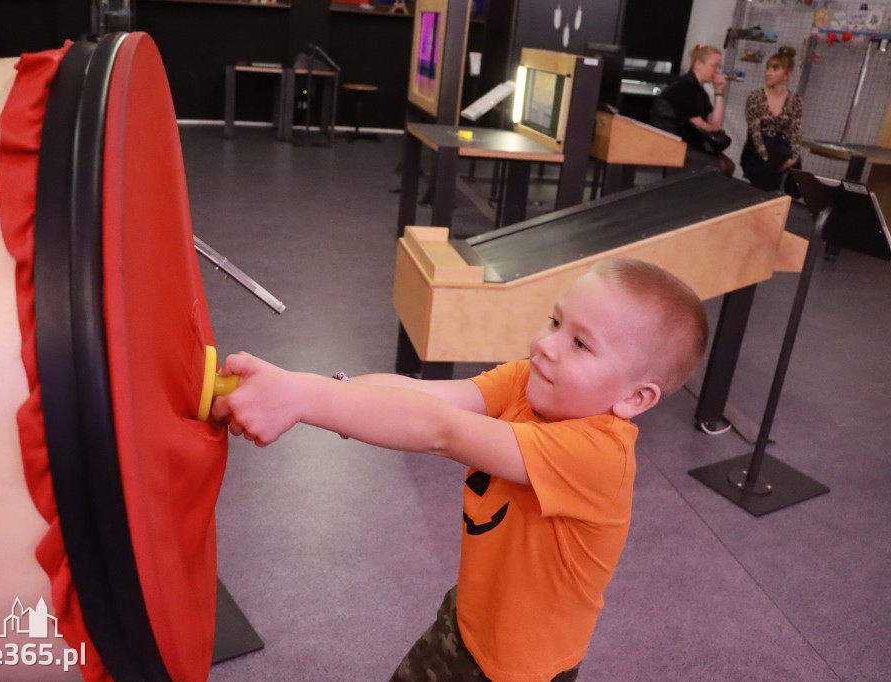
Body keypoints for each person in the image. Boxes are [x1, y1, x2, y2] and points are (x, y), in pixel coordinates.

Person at [211, 258, 709, 682]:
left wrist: (303, 399)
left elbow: (443, 430)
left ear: (634, 397)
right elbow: (426, 395)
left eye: (581, 344)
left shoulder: (597, 456)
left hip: (518, 670)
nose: (547, 346)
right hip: (468, 617)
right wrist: (310, 387)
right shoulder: (528, 383)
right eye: (556, 322)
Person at [652, 43, 735, 176]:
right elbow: (703, 126)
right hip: (671, 142)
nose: (718, 71)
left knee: (728, 165)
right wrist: (715, 130)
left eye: (719, 67)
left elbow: (715, 123)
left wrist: (719, 91)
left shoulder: (700, 91)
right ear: (698, 64)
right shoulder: (684, 87)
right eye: (714, 66)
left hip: (686, 143)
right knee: (719, 167)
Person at [740, 46, 803, 196]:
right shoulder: (755, 96)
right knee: (776, 157)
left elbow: (795, 131)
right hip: (758, 148)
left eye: (775, 69)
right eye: (768, 68)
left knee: (782, 151)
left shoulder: (795, 101)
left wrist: (794, 157)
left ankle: (759, 196)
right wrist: (767, 159)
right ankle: (762, 196)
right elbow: (754, 132)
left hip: (782, 149)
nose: (768, 72)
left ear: (786, 74)